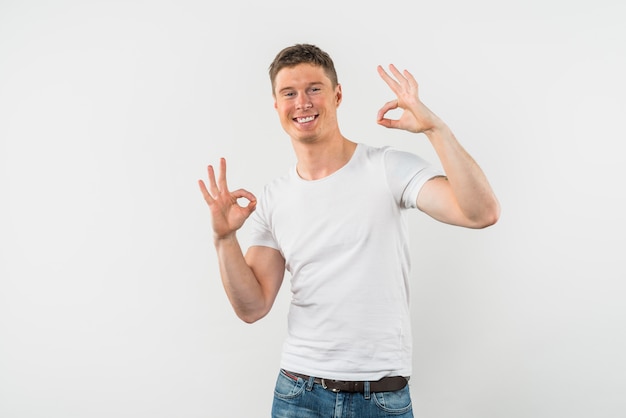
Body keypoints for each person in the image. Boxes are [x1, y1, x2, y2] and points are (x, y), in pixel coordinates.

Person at [198, 43, 500, 418]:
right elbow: (252, 307)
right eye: (289, 93)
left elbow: (480, 212)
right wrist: (225, 239)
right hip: (299, 395)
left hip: (381, 398)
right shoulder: (273, 199)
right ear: (276, 106)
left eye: (314, 89)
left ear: (337, 95)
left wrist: (435, 129)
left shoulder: (388, 167)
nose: (302, 102)